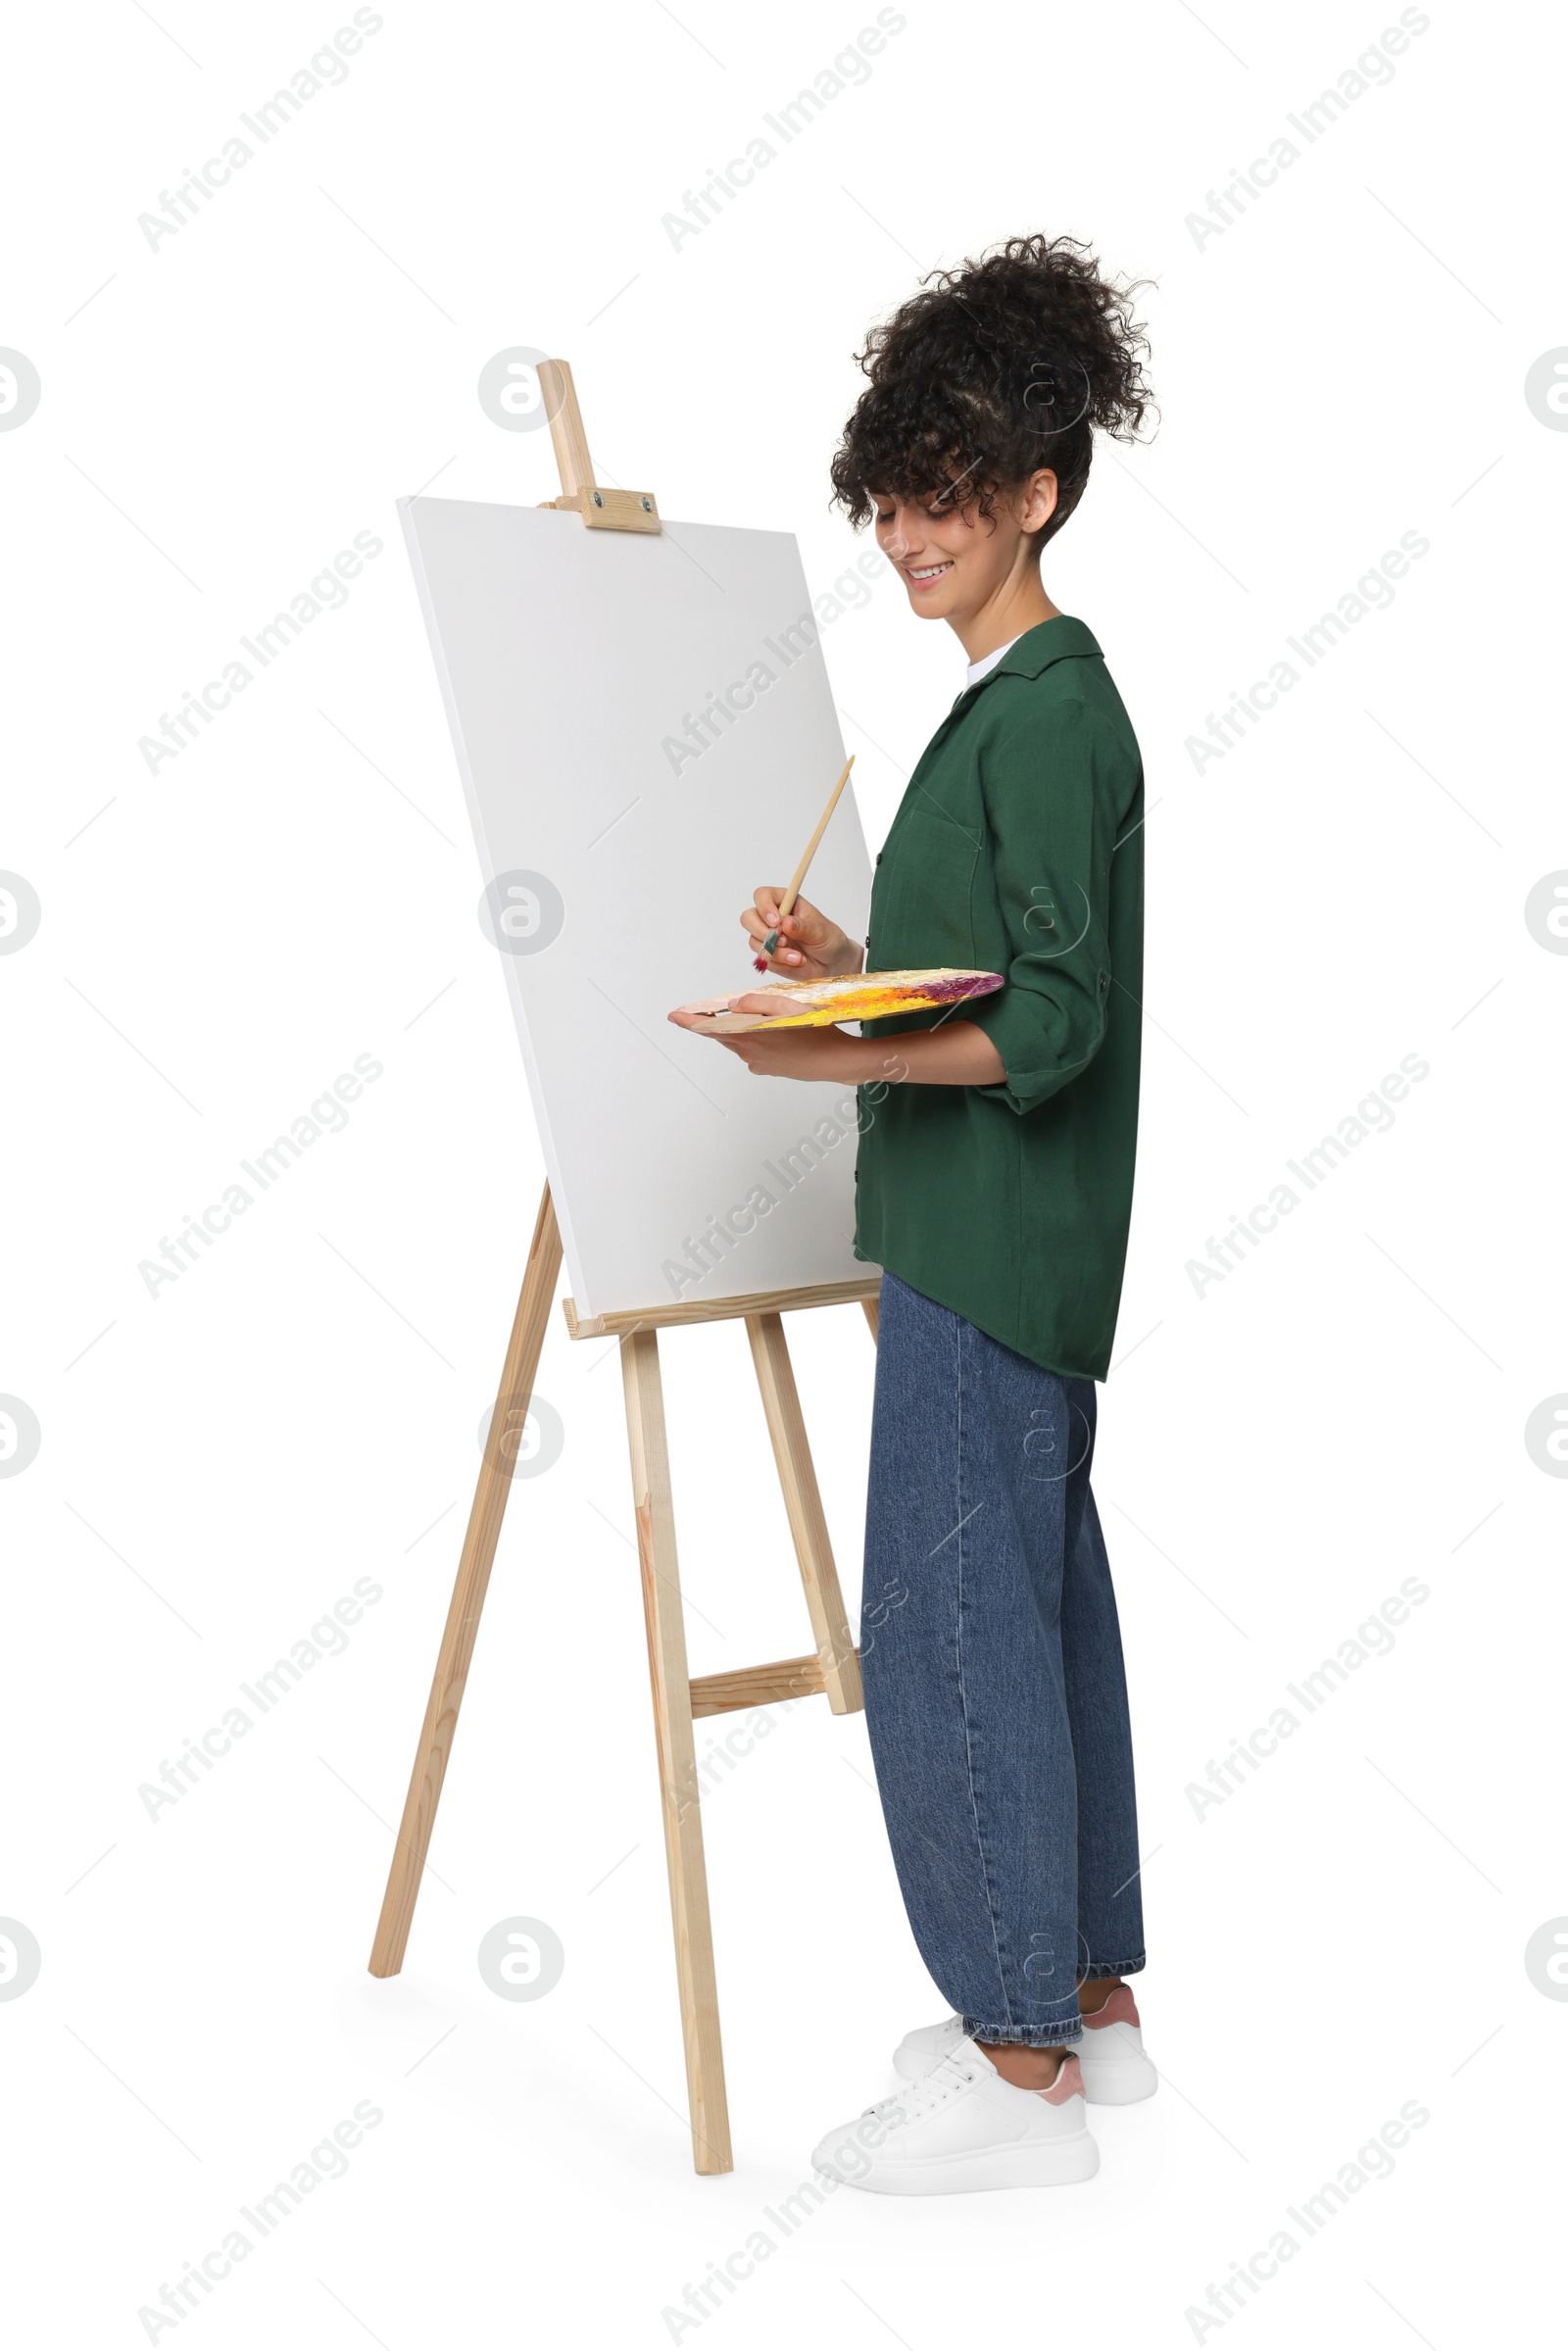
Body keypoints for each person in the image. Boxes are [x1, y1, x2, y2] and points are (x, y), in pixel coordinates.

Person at [671, 232, 1155, 2193]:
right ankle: (1086, 2016)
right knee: (1036, 1621)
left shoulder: (1041, 711)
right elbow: (983, 984)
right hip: (993, 1258)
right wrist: (846, 966)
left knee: (950, 1635)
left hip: (988, 1258)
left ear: (1035, 487)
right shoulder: (1014, 703)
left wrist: (825, 1059)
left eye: (946, 488)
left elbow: (1050, 1027)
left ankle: (1015, 2070)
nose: (906, 528)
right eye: (889, 490)